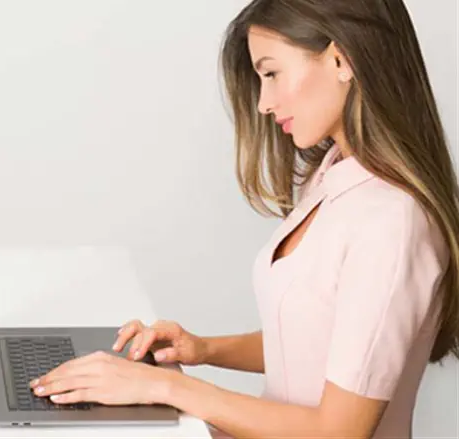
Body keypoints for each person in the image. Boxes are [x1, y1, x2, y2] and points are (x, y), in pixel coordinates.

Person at [28, 0, 459, 437]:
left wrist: (165, 387)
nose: (263, 104)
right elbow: (313, 344)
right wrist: (202, 348)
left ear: (340, 59)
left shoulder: (392, 221)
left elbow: (339, 431)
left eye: (271, 73)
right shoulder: (334, 178)